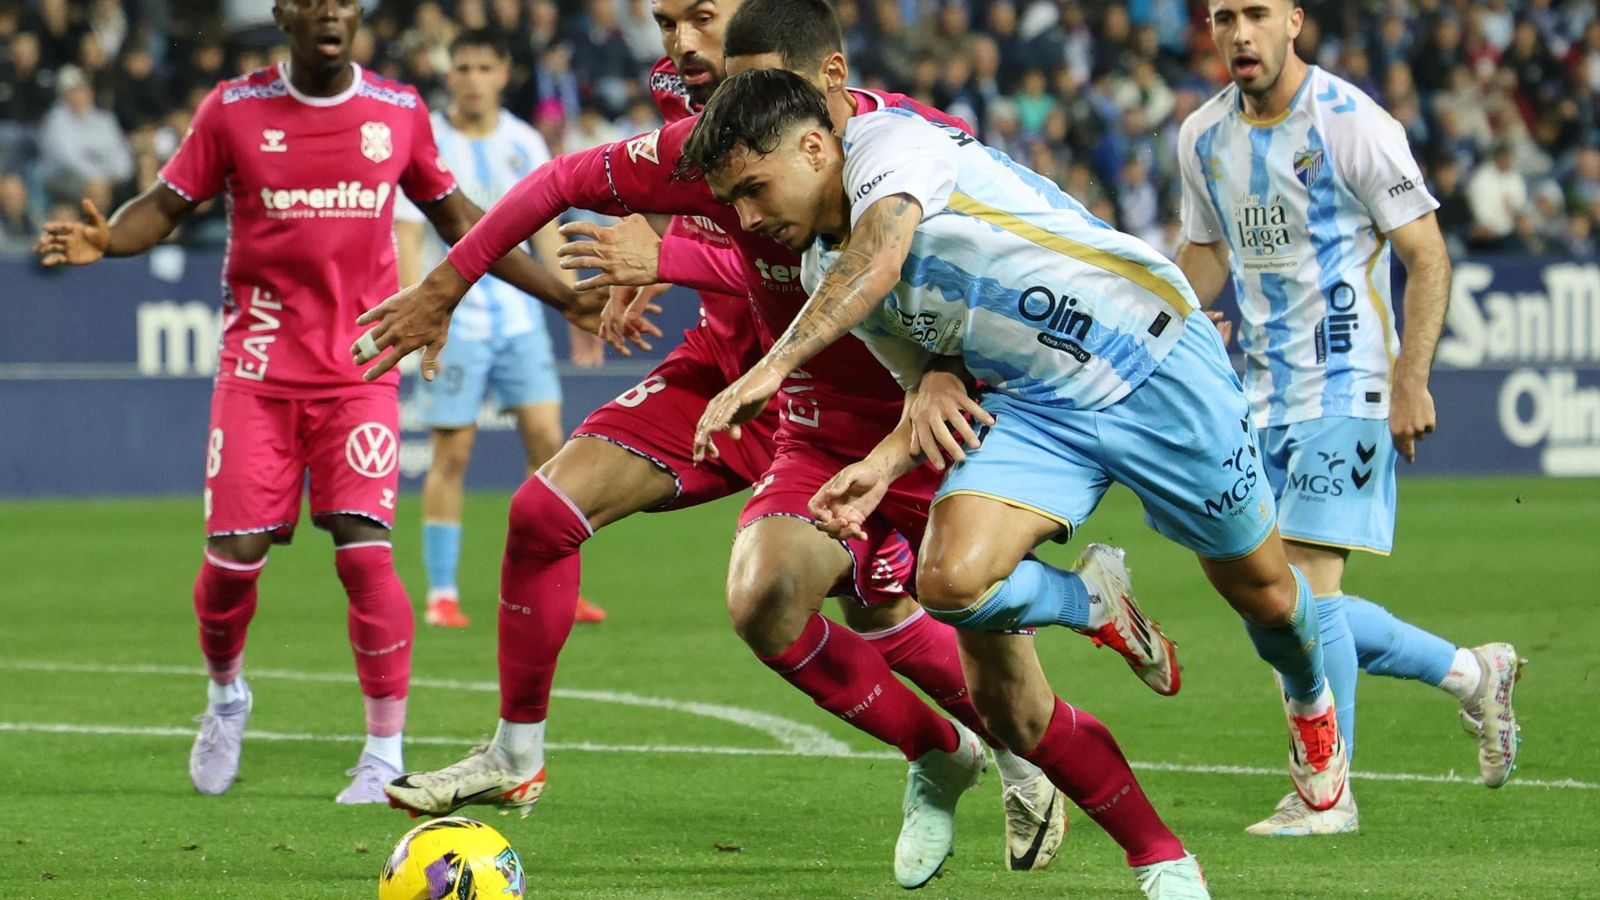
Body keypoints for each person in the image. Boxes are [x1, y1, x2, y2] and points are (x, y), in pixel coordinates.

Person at [356, 0, 1182, 885]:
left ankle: (1076, 679)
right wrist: (448, 287)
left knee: (923, 620)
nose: (675, 42)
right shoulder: (700, 130)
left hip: (909, 411)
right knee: (580, 524)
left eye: (697, 18)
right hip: (762, 387)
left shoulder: (894, 139)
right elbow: (571, 188)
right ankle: (520, 754)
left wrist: (671, 259)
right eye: (665, 22)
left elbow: (933, 256)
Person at [679, 68, 1360, 896]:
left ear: (815, 145)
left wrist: (774, 365)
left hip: (1151, 363)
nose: (748, 218)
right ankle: (1112, 682)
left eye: (754, 188)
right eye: (733, 203)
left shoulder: (892, 151)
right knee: (949, 581)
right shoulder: (829, 262)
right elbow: (932, 388)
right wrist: (878, 467)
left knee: (1267, 596)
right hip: (1040, 408)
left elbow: (883, 251)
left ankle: (1309, 698)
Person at [33, 0, 608, 805]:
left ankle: (383, 750)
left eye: (344, 1)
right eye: (314, 1)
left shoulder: (398, 112)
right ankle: (226, 695)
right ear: (285, 14)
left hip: (359, 366)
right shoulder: (232, 110)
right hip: (259, 369)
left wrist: (561, 297)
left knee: (365, 549)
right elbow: (164, 207)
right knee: (232, 563)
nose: (330, 12)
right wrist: (109, 238)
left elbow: (461, 221)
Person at [1174, 0, 1522, 835]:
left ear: (1295, 20)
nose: (1240, 35)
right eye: (1224, 17)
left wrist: (1411, 377)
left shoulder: (1351, 121)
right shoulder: (1200, 137)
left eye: (1256, 14)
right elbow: (1206, 252)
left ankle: (1326, 793)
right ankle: (1473, 673)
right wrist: (1171, 324)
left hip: (1350, 385)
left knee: (1307, 589)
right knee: (1274, 605)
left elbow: (1426, 253)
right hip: (1258, 396)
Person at [393, 30, 607, 629]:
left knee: (549, 443)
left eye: (483, 65)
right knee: (452, 454)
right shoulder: (429, 138)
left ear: (503, 73)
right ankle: (441, 593)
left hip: (519, 321)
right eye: (461, 65)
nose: (471, 76)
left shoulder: (524, 140)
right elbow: (409, 234)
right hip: (455, 320)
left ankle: (556, 584)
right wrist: (420, 312)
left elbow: (544, 233)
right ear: (449, 73)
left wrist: (573, 305)